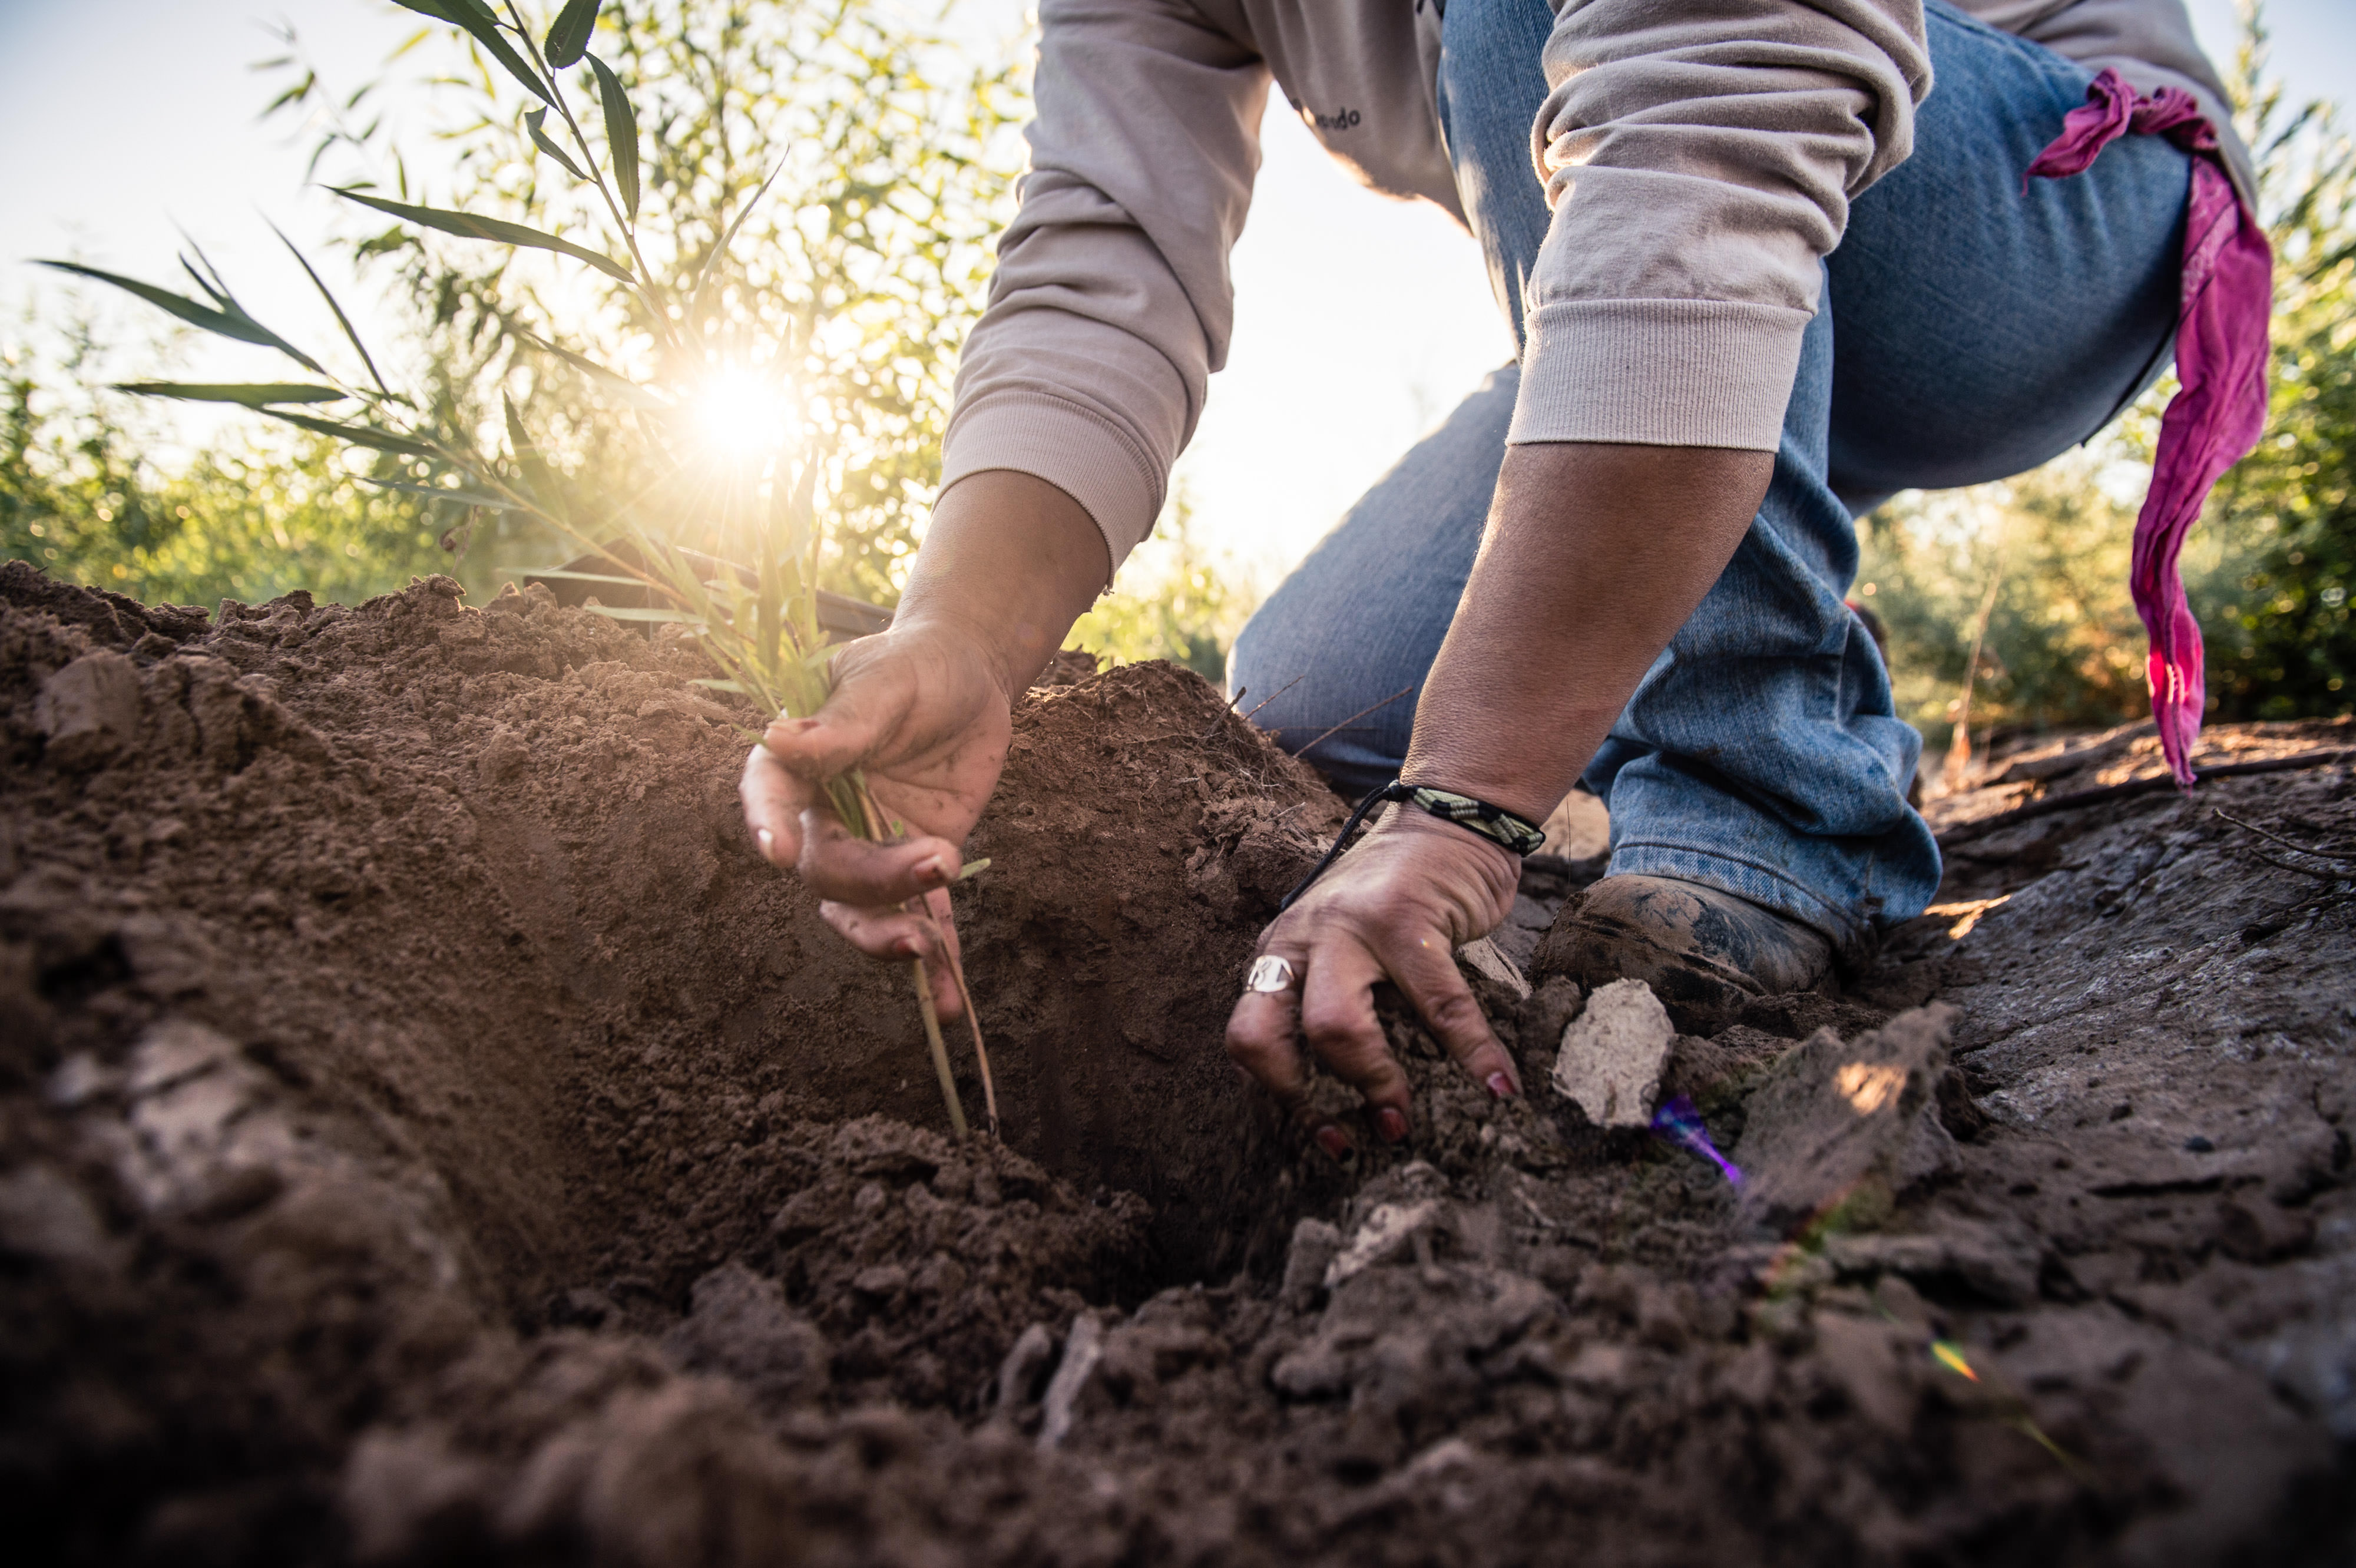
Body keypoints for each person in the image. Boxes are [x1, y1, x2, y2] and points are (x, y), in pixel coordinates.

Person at [740, 0, 2264, 1156]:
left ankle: (1768, 788)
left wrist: (1467, 795)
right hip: (1678, 232)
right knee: (1309, 698)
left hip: (2052, 204)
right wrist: (962, 626)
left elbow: (1729, 71)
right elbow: (1102, 262)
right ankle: (1681, 596)